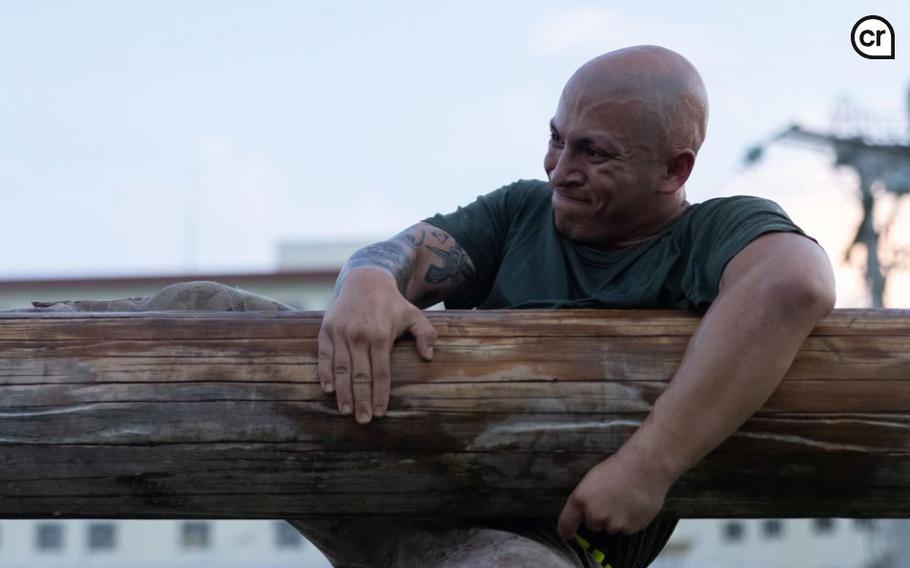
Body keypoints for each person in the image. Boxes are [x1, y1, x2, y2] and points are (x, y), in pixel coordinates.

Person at [297, 44, 836, 567]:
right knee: (209, 303)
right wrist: (366, 278)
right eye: (557, 139)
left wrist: (647, 466)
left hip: (547, 544)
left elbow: (794, 284)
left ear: (674, 171)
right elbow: (406, 254)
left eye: (594, 152)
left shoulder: (710, 233)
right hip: (397, 505)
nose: (559, 169)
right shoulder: (520, 211)